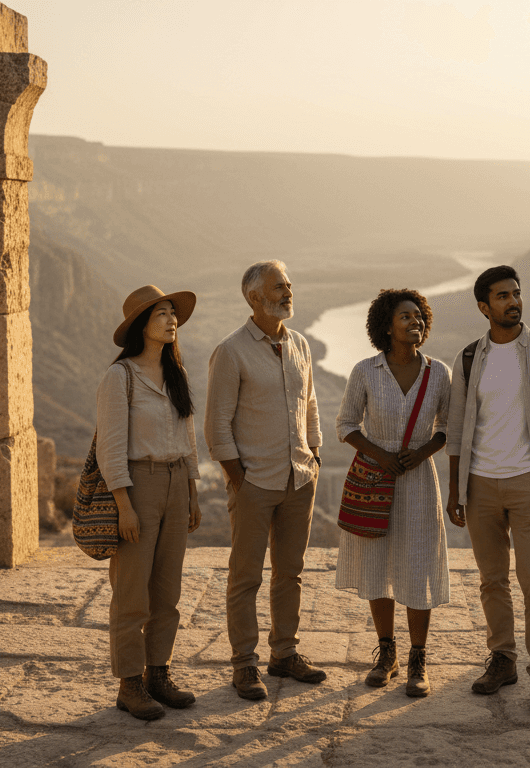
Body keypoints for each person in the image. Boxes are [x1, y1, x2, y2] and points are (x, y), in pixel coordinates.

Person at [444, 265, 530, 716]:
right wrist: (455, 490)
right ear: (484, 307)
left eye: (516, 293)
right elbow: (458, 428)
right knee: (491, 580)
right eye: (501, 296)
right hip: (480, 485)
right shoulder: (469, 358)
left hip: (529, 483)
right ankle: (503, 660)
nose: (512, 301)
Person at [204, 260, 325, 701]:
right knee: (246, 576)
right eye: (279, 286)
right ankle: (244, 664)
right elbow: (217, 424)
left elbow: (310, 402)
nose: (288, 292)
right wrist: (239, 478)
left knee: (290, 573)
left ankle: (284, 653)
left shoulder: (300, 344)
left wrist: (315, 451)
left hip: (299, 477)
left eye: (289, 284)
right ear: (255, 297)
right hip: (255, 482)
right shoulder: (231, 351)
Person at [336, 289, 451, 697]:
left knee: (417, 566)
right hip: (376, 480)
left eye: (419, 316)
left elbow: (448, 427)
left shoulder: (439, 373)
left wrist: (421, 453)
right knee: (378, 564)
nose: (415, 321)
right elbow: (346, 424)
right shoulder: (366, 372)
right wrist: (381, 455)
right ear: (387, 326)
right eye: (405, 316)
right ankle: (387, 652)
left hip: (419, 483)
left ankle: (418, 659)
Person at [96, 285, 203, 721]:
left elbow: (188, 438)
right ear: (142, 325)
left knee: (168, 589)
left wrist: (194, 492)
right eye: (161, 314)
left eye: (173, 314)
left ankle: (159, 673)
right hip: (138, 483)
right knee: (131, 590)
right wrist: (123, 504)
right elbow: (110, 445)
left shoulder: (176, 374)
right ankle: (129, 683)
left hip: (178, 483)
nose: (172, 320)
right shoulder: (120, 377)